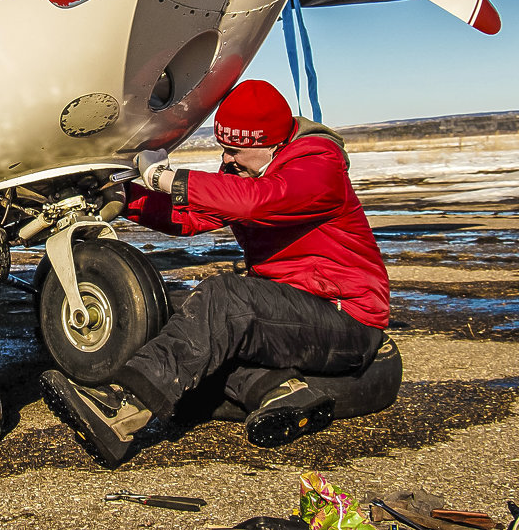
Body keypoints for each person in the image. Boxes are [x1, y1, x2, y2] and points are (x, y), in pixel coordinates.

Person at [41, 79, 390, 467]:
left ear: (269, 145)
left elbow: (256, 203)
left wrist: (164, 178)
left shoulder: (318, 168)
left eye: (235, 150)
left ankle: (121, 412)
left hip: (344, 321)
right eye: (224, 149)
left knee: (225, 299)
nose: (226, 159)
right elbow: (191, 215)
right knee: (169, 310)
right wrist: (122, 197)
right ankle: (279, 390)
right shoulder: (250, 174)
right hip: (287, 315)